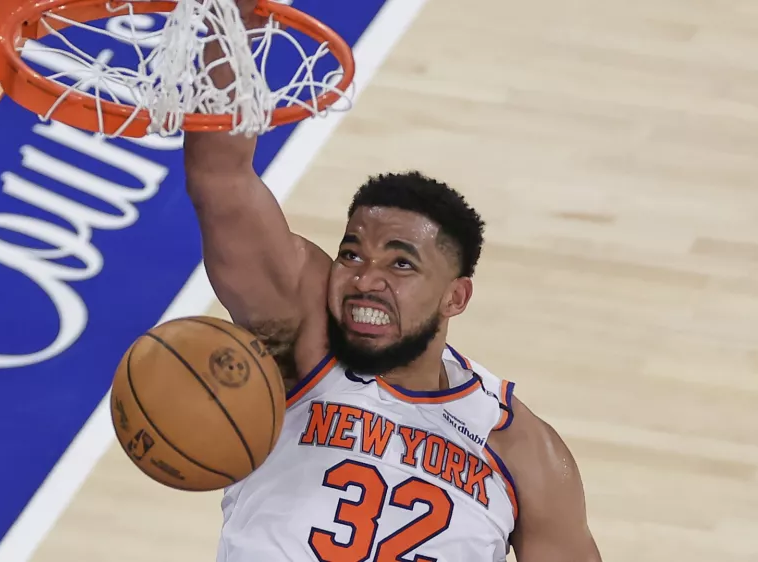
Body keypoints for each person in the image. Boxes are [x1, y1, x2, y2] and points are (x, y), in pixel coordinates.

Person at [183, 5, 603, 561]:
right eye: (352, 253)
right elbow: (220, 177)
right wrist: (229, 27)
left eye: (400, 264)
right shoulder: (306, 338)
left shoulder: (521, 449)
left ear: (457, 296)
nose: (365, 279)